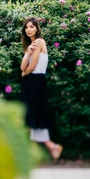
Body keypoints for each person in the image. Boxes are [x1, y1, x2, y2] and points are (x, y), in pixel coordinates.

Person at [20, 17, 63, 160]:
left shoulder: (39, 42)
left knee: (34, 114)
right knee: (32, 115)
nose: (29, 29)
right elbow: (22, 66)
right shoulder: (31, 45)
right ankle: (50, 147)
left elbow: (30, 67)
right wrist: (27, 53)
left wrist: (24, 73)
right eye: (26, 27)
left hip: (36, 80)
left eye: (31, 27)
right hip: (32, 81)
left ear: (37, 28)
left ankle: (37, 150)